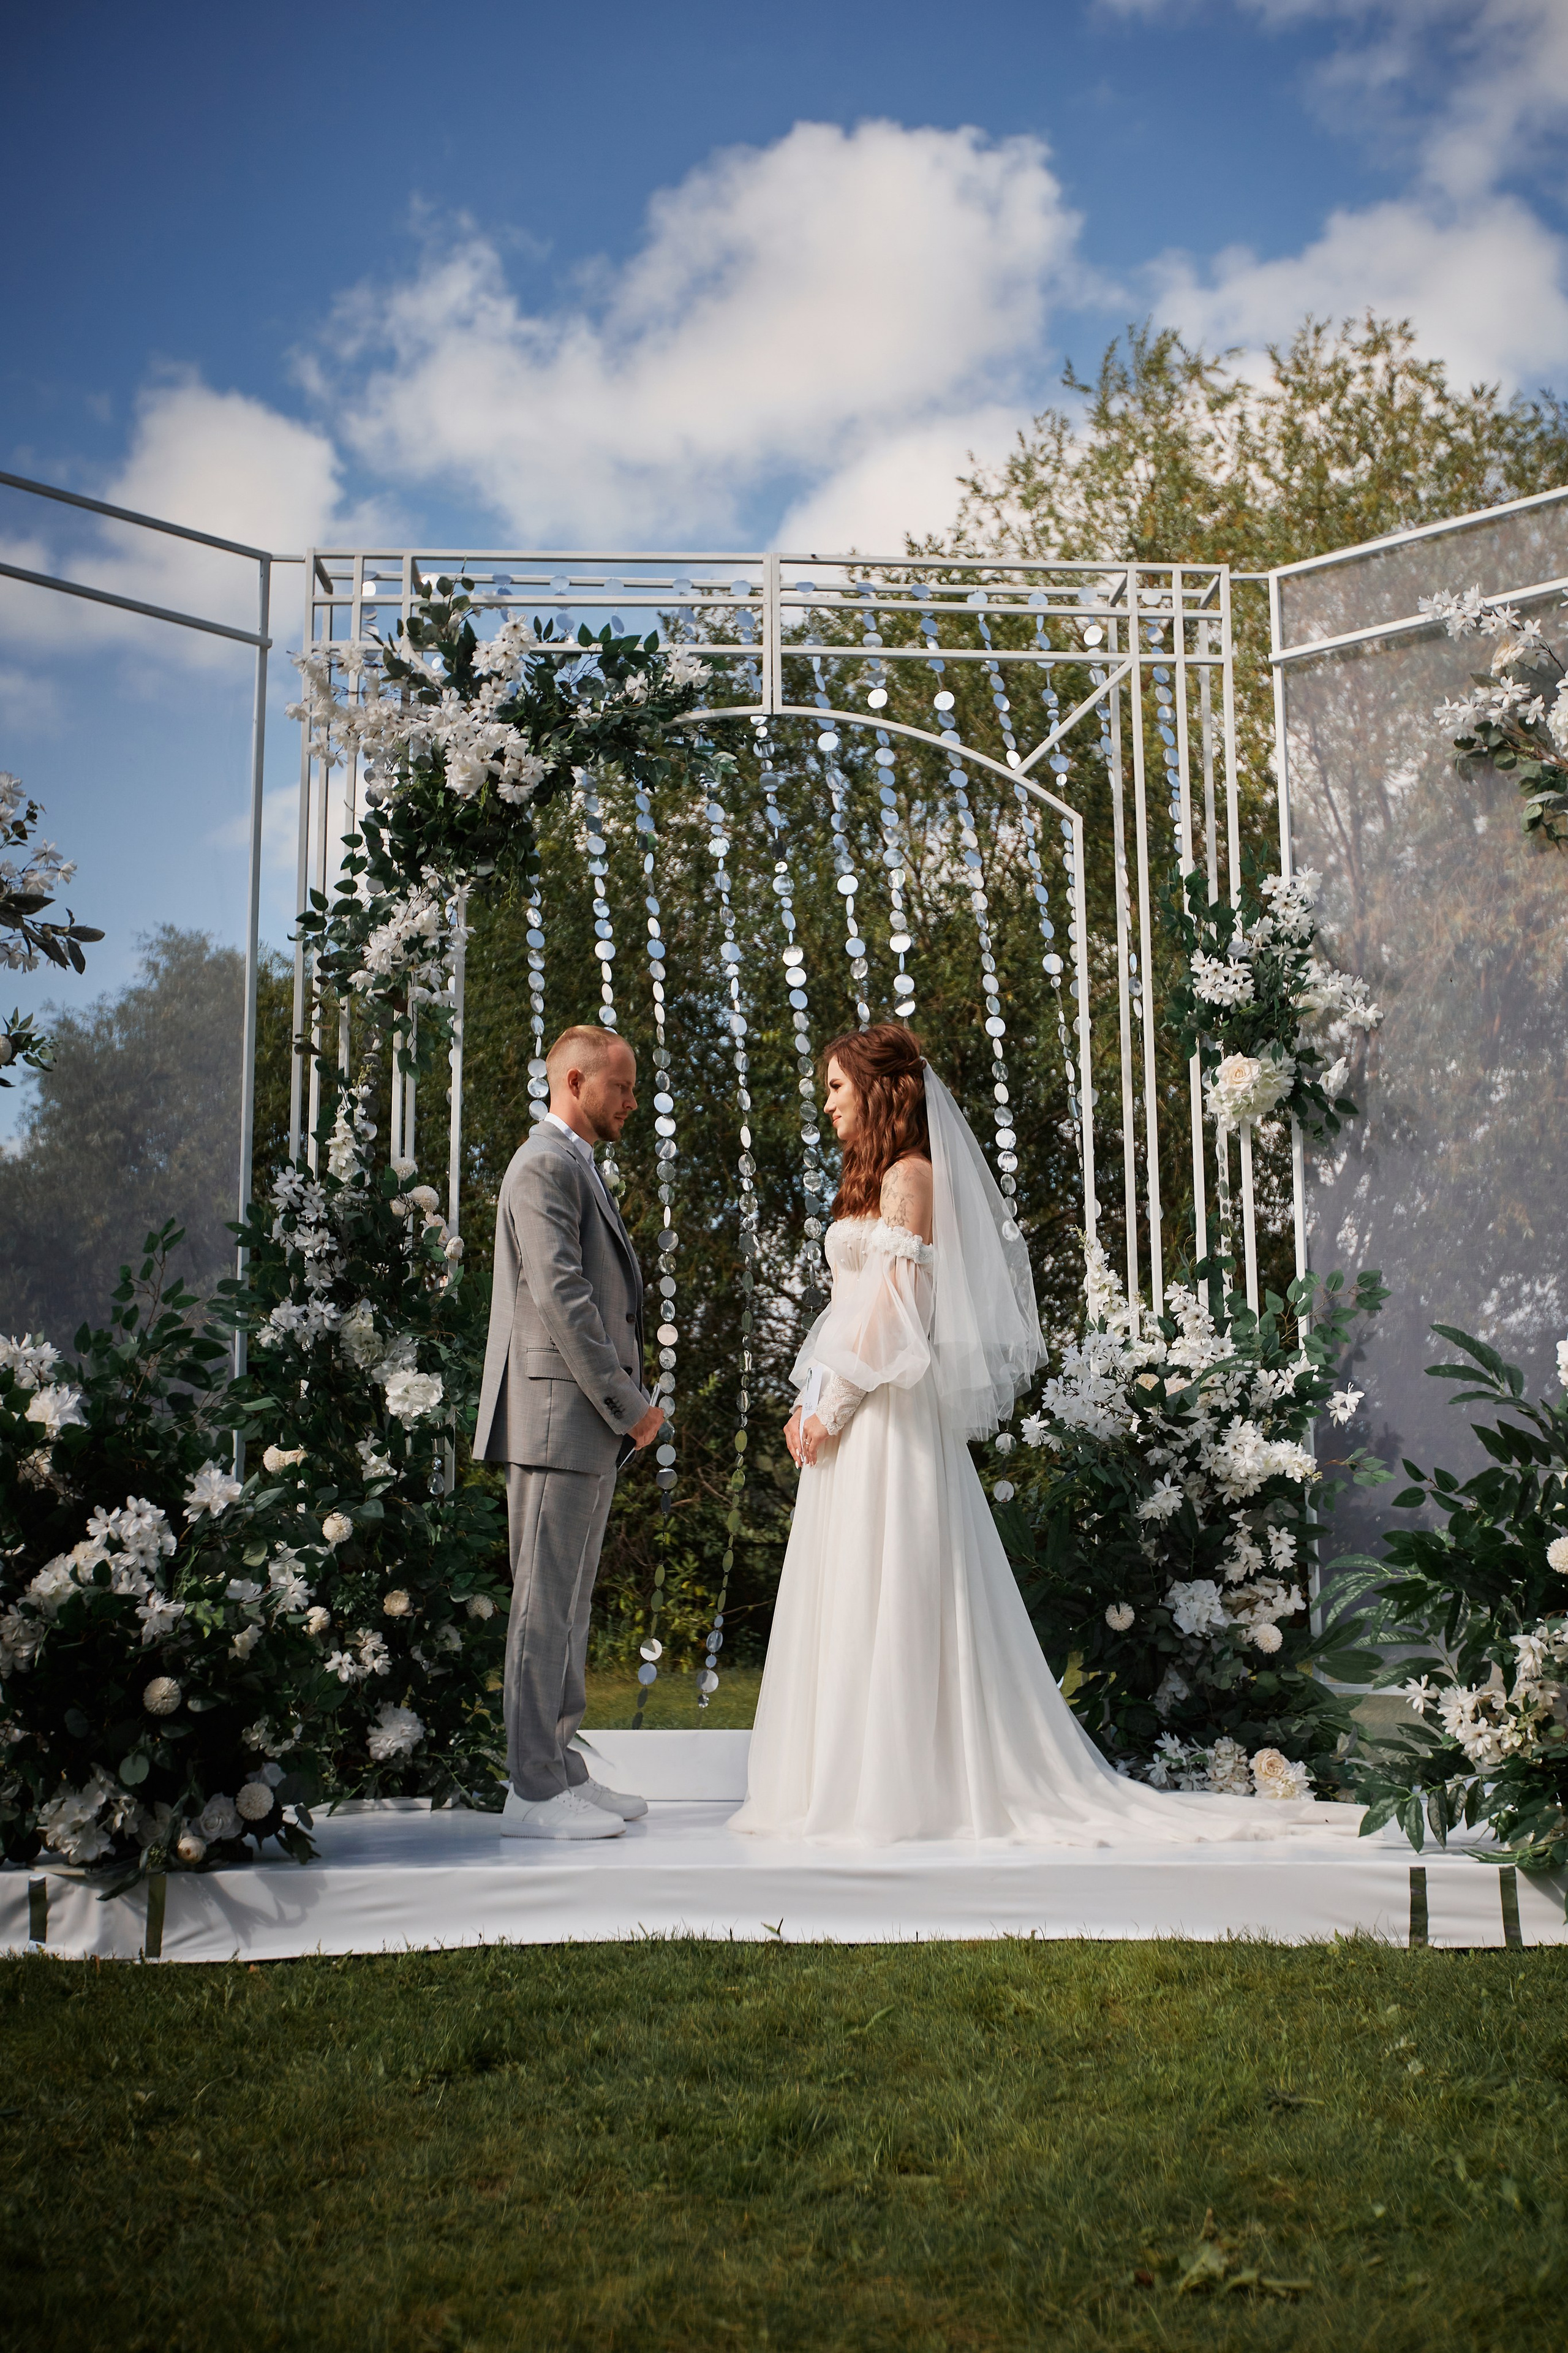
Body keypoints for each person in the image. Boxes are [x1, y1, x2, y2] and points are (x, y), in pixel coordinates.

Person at [732, 1023, 1364, 1848]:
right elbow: (849, 1310)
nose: (828, 1102)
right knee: (851, 1588)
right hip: (852, 1417)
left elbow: (898, 1316)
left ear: (881, 1091)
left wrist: (833, 1406)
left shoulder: (911, 1178)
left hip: (886, 1422)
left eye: (838, 1087)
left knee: (893, 1587)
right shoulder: (873, 1184)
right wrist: (810, 1397)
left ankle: (896, 1788)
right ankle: (846, 1776)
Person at [473, 1024, 666, 1841]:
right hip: (558, 1418)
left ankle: (561, 1768)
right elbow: (563, 1300)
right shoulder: (543, 1165)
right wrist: (631, 1403)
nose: (631, 1101)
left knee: (570, 1606)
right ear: (575, 1080)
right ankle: (532, 1791)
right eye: (620, 1087)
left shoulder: (575, 1164)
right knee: (542, 1608)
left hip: (579, 1424)